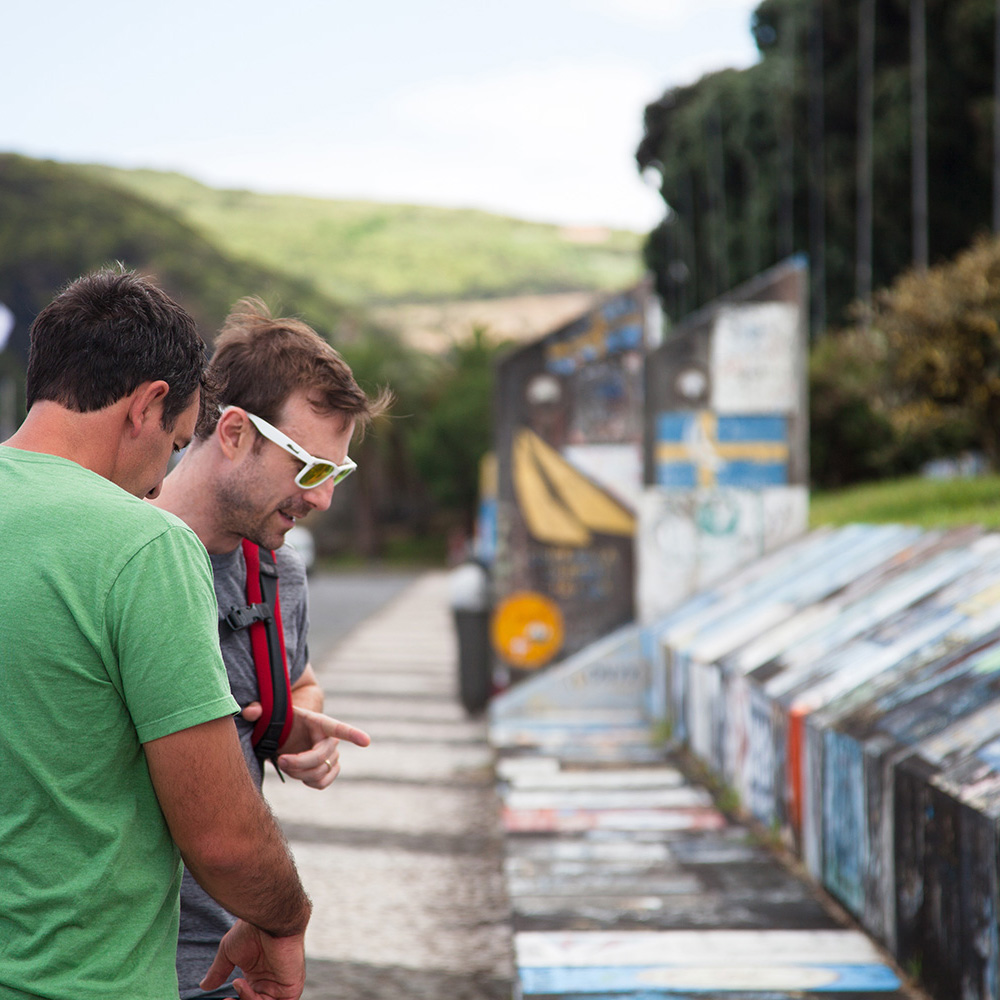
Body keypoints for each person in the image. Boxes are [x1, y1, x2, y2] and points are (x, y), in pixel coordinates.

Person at [0, 269, 317, 1000]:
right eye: (177, 441)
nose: (160, 479)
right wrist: (285, 920)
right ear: (147, 405)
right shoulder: (144, 544)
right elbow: (222, 838)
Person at [152, 298, 391, 1000]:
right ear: (232, 433)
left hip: (223, 964)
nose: (322, 501)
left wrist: (300, 720)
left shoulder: (277, 573)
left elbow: (299, 677)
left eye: (336, 476)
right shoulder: (115, 554)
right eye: (311, 470)